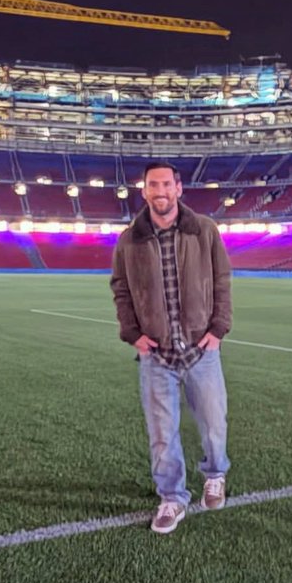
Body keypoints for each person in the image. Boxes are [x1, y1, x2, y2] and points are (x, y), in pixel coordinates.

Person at [111, 161, 232, 534]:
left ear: (178, 188)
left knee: (214, 425)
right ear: (143, 190)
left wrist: (219, 329)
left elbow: (222, 279)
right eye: (152, 185)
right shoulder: (129, 239)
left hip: (201, 350)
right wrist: (133, 334)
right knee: (162, 434)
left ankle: (214, 475)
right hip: (157, 355)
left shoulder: (204, 230)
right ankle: (172, 499)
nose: (160, 191)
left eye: (166, 183)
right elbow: (121, 288)